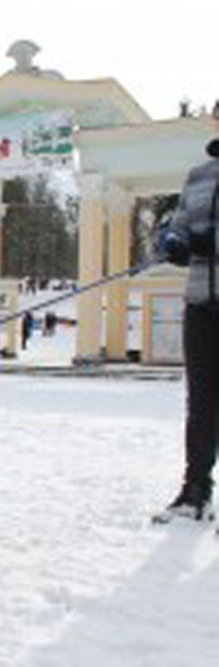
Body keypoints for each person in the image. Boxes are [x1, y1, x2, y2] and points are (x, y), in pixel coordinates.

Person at [154, 137, 219, 523]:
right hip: (199, 303)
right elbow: (179, 225)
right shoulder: (198, 176)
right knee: (202, 403)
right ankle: (195, 491)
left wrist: (210, 240)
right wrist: (172, 240)